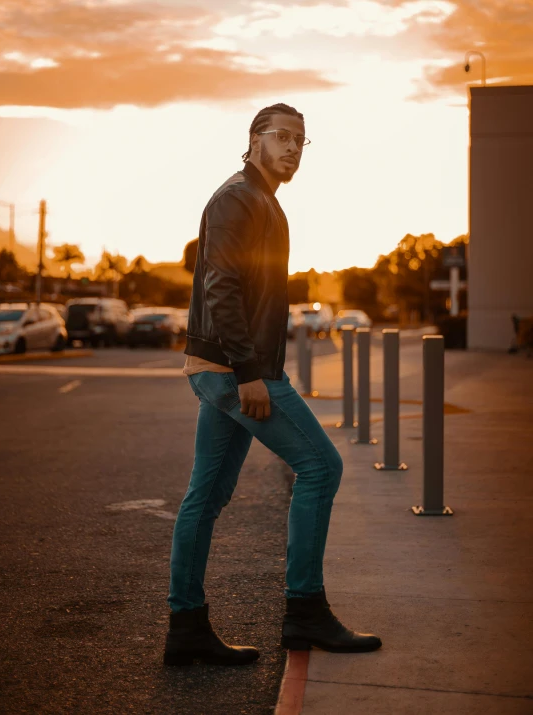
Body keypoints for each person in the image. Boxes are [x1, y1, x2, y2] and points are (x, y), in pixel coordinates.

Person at [164, 103, 382, 666]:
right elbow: (220, 288)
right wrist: (249, 373)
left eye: (300, 141)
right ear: (254, 139)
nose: (291, 148)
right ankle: (304, 611)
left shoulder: (260, 200)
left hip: (228, 369)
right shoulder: (239, 197)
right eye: (281, 136)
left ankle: (186, 627)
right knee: (321, 467)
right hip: (234, 371)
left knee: (205, 498)